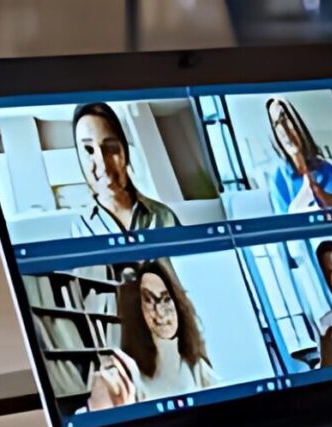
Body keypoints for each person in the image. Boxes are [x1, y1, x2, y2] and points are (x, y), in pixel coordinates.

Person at [68, 102, 181, 237]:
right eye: (89, 150)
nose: (103, 165)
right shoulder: (80, 228)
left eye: (111, 148)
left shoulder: (164, 217)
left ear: (125, 152)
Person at [115, 260, 219, 399]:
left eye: (166, 299)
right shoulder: (130, 374)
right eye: (149, 300)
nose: (160, 312)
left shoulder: (196, 367)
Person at [264, 97, 332, 214]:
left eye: (284, 119)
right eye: (276, 124)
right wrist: (302, 199)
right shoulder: (278, 178)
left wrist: (322, 196)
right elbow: (284, 226)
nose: (283, 129)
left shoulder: (326, 169)